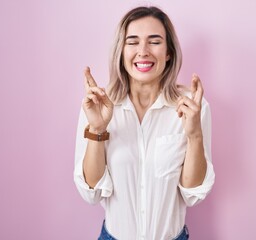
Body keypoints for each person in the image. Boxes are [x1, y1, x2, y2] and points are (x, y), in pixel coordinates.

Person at [74, 6, 215, 240]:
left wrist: (195, 135)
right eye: (132, 42)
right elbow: (92, 194)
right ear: (121, 51)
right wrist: (97, 130)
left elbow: (192, 194)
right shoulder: (97, 105)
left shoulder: (192, 107)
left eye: (154, 41)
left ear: (168, 52)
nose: (143, 51)